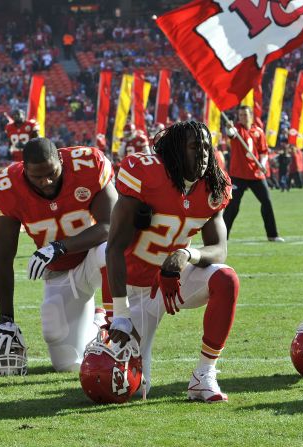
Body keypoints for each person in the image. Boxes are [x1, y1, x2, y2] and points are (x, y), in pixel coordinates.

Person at [106, 121, 240, 402]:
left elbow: (219, 249)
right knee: (129, 389)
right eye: (195, 147)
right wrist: (120, 313)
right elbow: (114, 247)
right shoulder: (145, 173)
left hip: (172, 281)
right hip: (135, 289)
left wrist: (188, 254)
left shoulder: (214, 183)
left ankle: (204, 375)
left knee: (225, 278)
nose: (203, 154)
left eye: (206, 146)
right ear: (177, 151)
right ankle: (102, 322)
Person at [0, 138, 115, 373]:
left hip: (95, 256)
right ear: (24, 170)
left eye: (52, 173)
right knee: (67, 363)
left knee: (110, 250)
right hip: (62, 271)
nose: (47, 181)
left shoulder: (88, 165)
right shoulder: (6, 188)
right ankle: (97, 323)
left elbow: (111, 226)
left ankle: (116, 325)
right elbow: (2, 257)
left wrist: (59, 246)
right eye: (37, 177)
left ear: (61, 161)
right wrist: (5, 318)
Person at [222, 106, 284, 242]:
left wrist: (262, 163)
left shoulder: (258, 131)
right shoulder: (237, 129)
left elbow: (263, 151)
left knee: (266, 202)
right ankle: (222, 237)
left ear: (251, 115)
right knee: (233, 206)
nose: (243, 117)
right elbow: (230, 133)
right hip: (238, 174)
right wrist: (228, 127)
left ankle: (272, 235)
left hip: (256, 174)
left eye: (245, 114)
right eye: (241, 115)